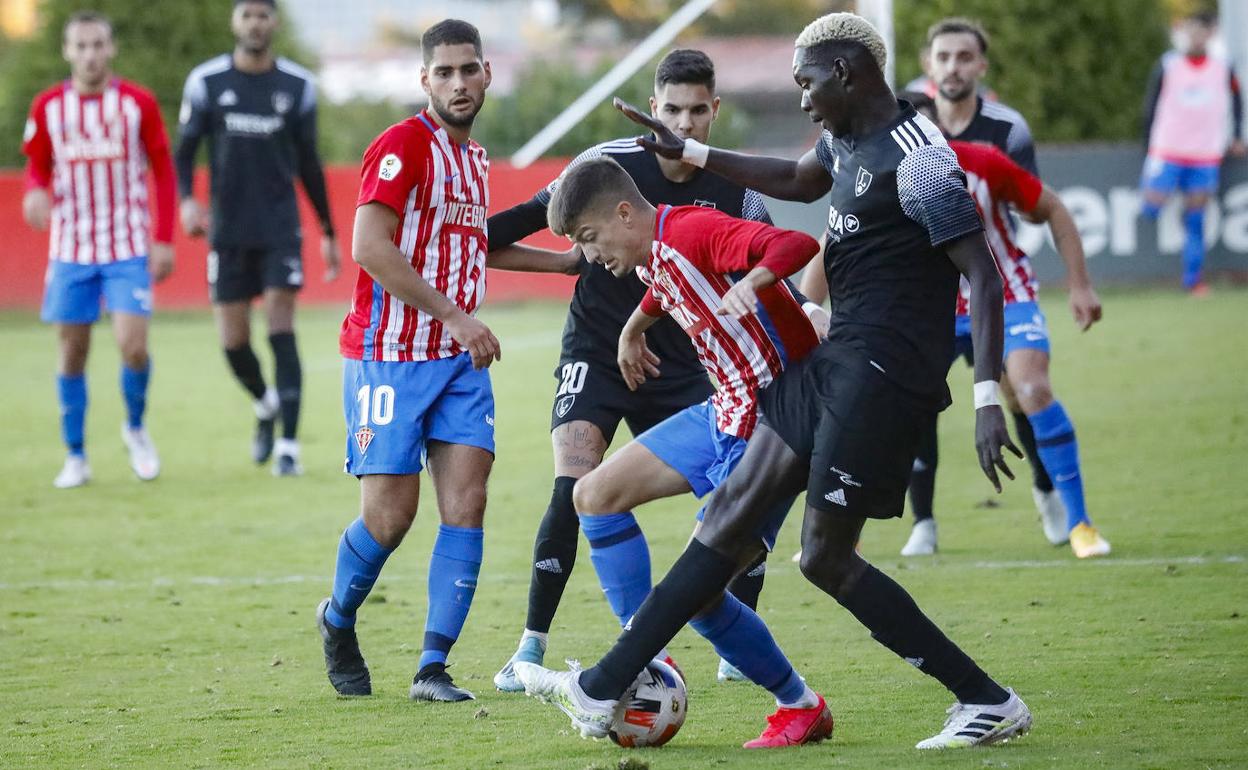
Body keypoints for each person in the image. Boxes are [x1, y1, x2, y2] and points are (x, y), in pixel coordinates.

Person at [516, 13, 1032, 750]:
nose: (801, 99)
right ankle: (602, 686)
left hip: (886, 370)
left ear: (849, 71)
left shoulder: (918, 158)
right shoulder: (847, 140)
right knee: (726, 526)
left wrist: (986, 395)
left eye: (807, 82)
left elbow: (981, 276)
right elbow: (797, 179)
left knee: (824, 558)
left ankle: (986, 700)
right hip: (834, 360)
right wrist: (691, 148)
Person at [489, 49, 824, 691]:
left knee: (723, 567)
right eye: (673, 109)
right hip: (608, 347)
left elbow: (785, 248)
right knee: (582, 484)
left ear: (715, 111)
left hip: (728, 379)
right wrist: (612, 310)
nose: (686, 124)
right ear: (653, 106)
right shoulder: (610, 171)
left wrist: (783, 296)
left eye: (699, 111)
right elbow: (652, 271)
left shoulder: (728, 194)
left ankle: (761, 672)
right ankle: (549, 646)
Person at [314, 19, 576, 704]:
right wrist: (458, 318)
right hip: (389, 356)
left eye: (469, 70)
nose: (459, 83)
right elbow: (371, 246)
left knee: (468, 502)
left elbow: (469, 246)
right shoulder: (403, 146)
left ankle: (432, 668)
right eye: (445, 73)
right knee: (390, 520)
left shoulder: (473, 158)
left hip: (458, 363)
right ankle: (337, 619)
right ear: (424, 80)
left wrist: (567, 263)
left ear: (487, 73)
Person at [537, 157, 835, 748]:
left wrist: (756, 280)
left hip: (775, 426)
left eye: (589, 239)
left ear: (625, 213)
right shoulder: (654, 254)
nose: (588, 256)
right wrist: (631, 330)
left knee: (700, 595)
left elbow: (795, 242)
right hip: (723, 411)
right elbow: (664, 287)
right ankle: (649, 657)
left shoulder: (695, 230)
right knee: (592, 496)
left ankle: (800, 704)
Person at [806, 92, 1110, 558]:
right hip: (931, 310)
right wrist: (808, 309)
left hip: (1003, 294)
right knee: (886, 403)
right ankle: (907, 524)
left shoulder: (980, 163)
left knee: (1028, 389)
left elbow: (1051, 208)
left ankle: (1076, 519)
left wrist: (1080, 284)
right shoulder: (881, 169)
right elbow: (831, 241)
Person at [892, 16, 1063, 550]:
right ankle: (923, 522)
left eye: (964, 57)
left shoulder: (1002, 134)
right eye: (943, 57)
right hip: (933, 298)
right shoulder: (896, 124)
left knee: (1018, 391)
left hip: (993, 286)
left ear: (981, 66)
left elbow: (1036, 207)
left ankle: (1046, 488)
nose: (953, 67)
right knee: (916, 399)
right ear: (928, 64)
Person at [175, 0, 339, 476]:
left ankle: (289, 446)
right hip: (226, 232)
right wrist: (187, 199)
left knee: (280, 328)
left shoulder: (298, 86)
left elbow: (309, 162)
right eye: (247, 14)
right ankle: (265, 404)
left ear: (275, 23)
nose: (255, 23)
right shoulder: (206, 83)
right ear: (235, 22)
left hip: (279, 229)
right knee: (232, 341)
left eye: (263, 14)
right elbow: (184, 152)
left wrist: (327, 230)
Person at [22, 11, 175, 488]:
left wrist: (164, 238)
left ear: (111, 49)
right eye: (81, 46)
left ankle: (135, 428)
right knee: (72, 352)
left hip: (126, 245)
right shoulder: (48, 106)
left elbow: (164, 172)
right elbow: (38, 167)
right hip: (71, 248)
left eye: (97, 45)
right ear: (68, 51)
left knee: (133, 346)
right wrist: (35, 190)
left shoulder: (138, 104)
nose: (90, 55)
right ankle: (76, 454)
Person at [1140, 10, 1245, 295]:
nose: (1195, 36)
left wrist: (1235, 135)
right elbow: (1151, 105)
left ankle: (1193, 281)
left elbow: (1237, 100)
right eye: (1190, 30)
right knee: (1149, 208)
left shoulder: (1224, 67)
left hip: (1204, 154)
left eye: (1201, 31)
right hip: (1168, 150)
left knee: (1196, 219)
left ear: (1211, 34)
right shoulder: (1168, 65)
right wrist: (1147, 143)